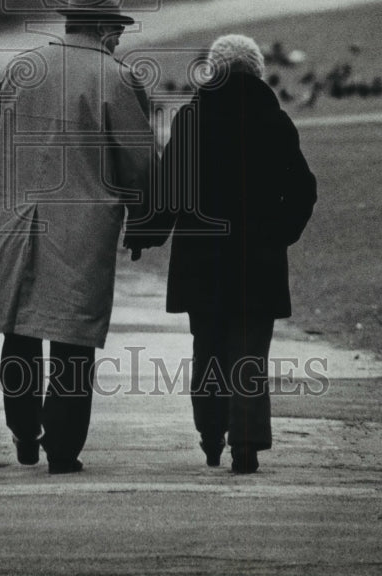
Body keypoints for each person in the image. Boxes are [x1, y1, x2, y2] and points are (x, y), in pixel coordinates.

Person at [0, 0, 154, 474]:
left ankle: (24, 433)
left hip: (14, 221)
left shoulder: (20, 69)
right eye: (116, 30)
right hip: (81, 228)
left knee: (20, 329)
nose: (118, 39)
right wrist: (146, 222)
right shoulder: (116, 78)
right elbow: (140, 165)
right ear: (101, 29)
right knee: (73, 339)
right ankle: (63, 449)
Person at [124, 34, 317, 474]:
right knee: (249, 349)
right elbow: (303, 188)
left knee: (209, 347)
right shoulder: (274, 120)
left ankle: (211, 436)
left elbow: (170, 191)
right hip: (259, 258)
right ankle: (246, 443)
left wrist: (143, 234)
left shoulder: (193, 120)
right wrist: (282, 233)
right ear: (256, 71)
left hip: (202, 260)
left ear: (213, 71)